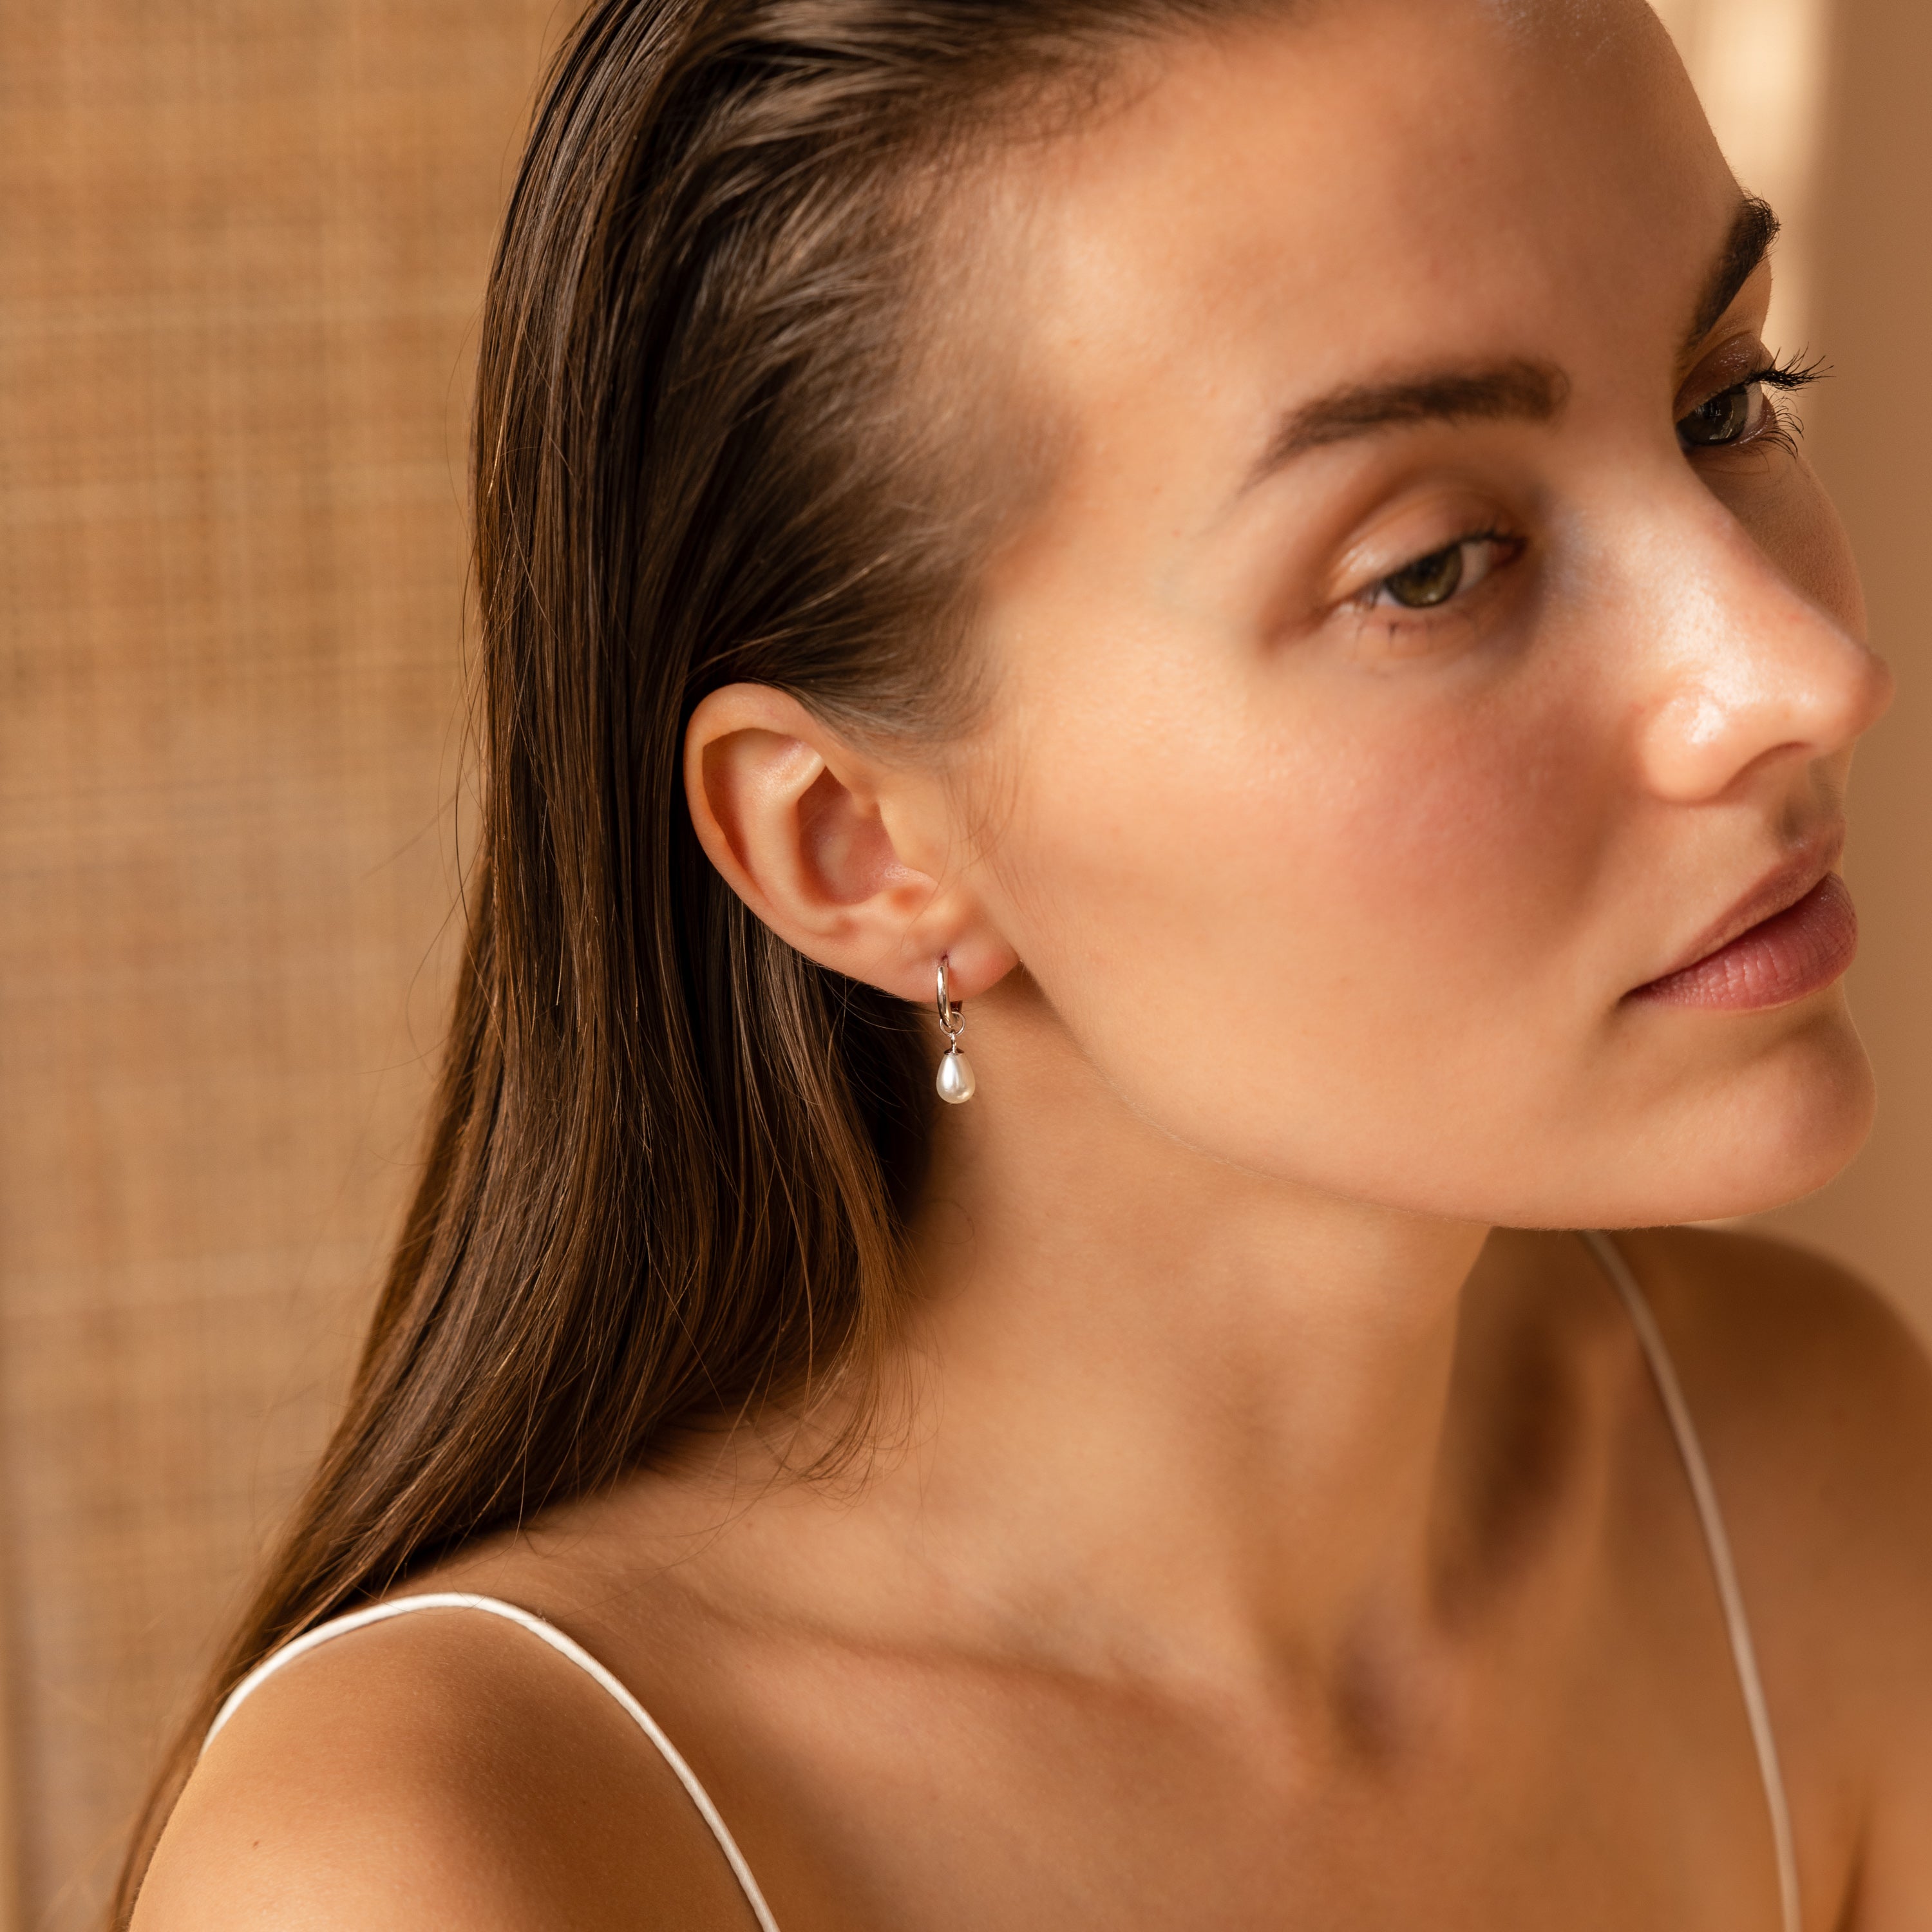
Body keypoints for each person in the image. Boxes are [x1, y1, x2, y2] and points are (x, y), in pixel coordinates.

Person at [122, 0, 1932, 1924]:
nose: (1802, 674)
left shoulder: (1793, 1494)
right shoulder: (454, 1866)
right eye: (1428, 567)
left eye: (1727, 401)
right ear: (857, 844)